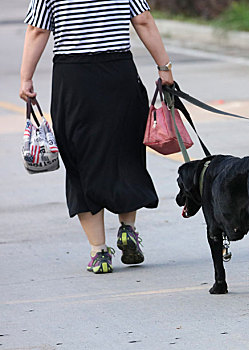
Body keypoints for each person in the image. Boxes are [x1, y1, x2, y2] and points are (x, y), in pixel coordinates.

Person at [19, 0, 174, 274]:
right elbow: (143, 20)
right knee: (126, 154)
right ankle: (127, 230)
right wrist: (164, 67)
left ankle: (99, 252)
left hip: (74, 79)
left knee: (81, 161)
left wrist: (26, 78)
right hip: (118, 74)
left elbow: (37, 31)